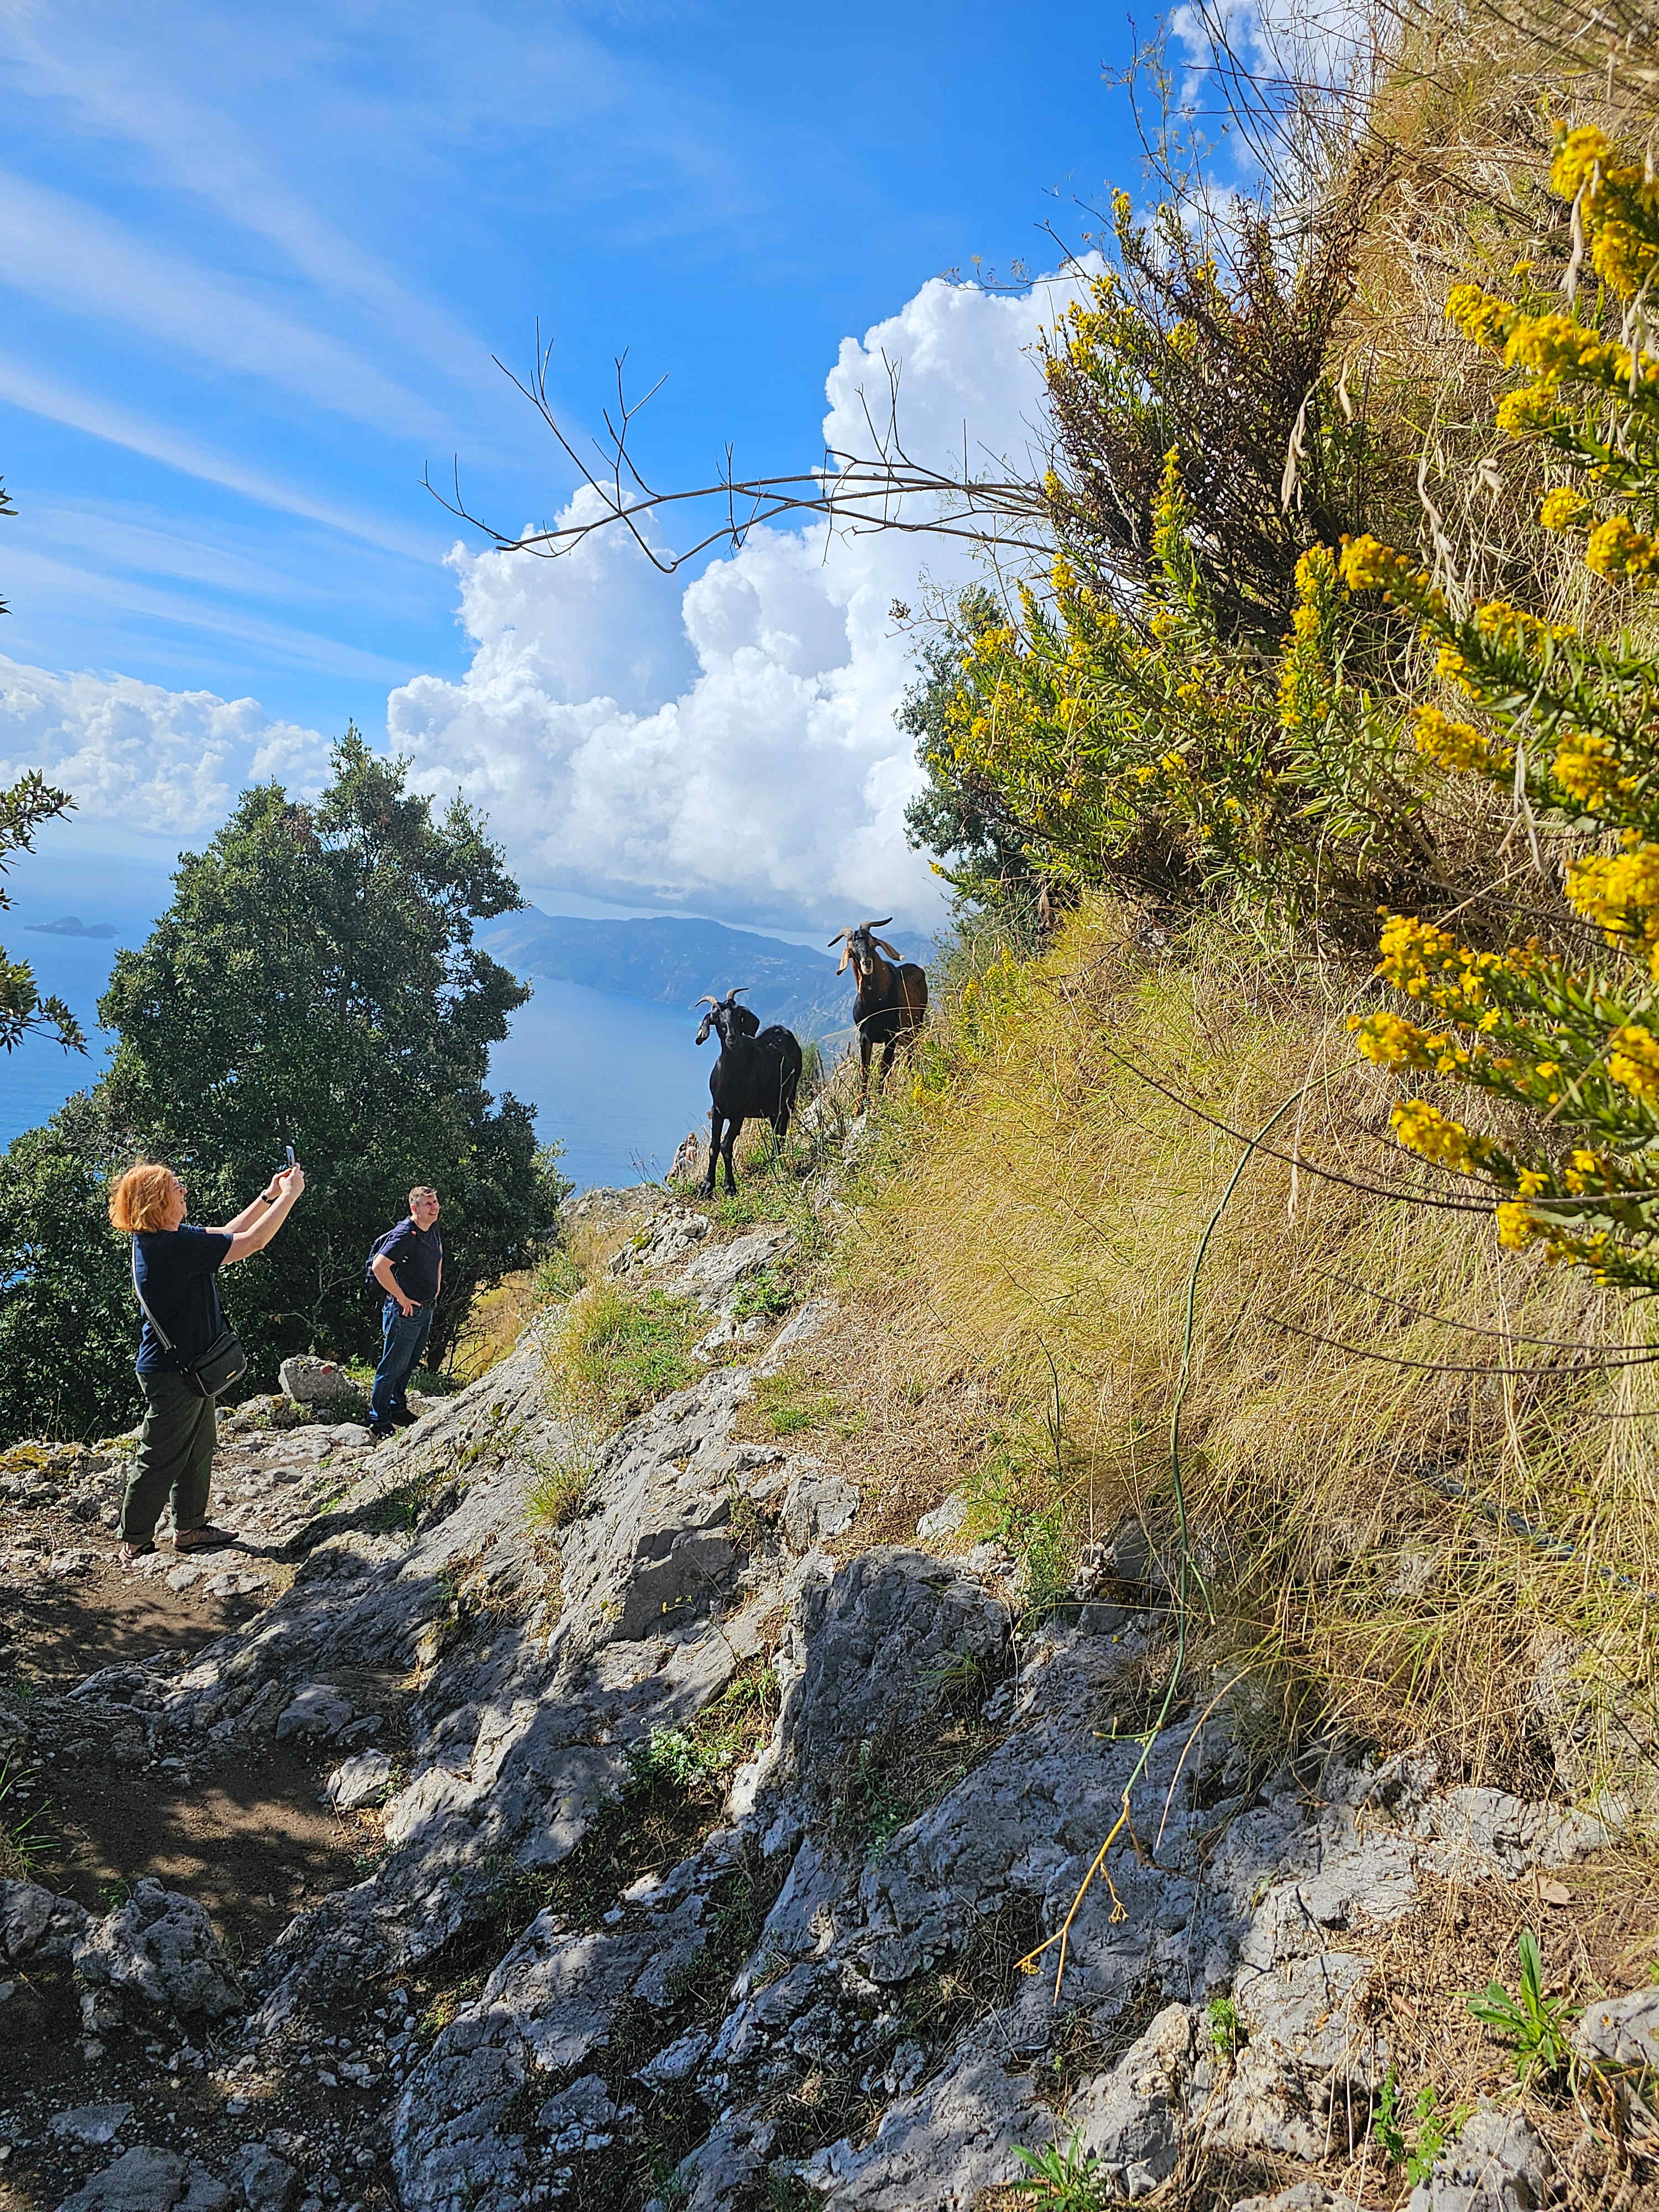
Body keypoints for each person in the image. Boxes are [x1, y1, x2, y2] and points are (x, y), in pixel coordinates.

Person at [108, 1157, 306, 1566]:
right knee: (160, 1453)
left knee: (199, 1446)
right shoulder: (171, 1248)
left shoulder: (165, 1239)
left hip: (188, 1367)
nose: (184, 1191)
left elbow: (230, 1233)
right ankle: (135, 1539)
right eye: (176, 1187)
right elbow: (253, 1243)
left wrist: (268, 1196)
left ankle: (190, 1528)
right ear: (158, 1202)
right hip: (172, 1373)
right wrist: (290, 1198)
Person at [368, 1185, 442, 1440]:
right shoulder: (405, 1234)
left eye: (435, 1202)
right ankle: (379, 1420)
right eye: (428, 1204)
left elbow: (438, 1256)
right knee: (392, 1366)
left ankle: (397, 1408)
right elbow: (380, 1267)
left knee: (409, 1363)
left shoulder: (431, 1227)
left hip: (425, 1308)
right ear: (415, 1209)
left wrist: (437, 1286)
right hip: (405, 1311)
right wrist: (401, 1298)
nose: (434, 1208)